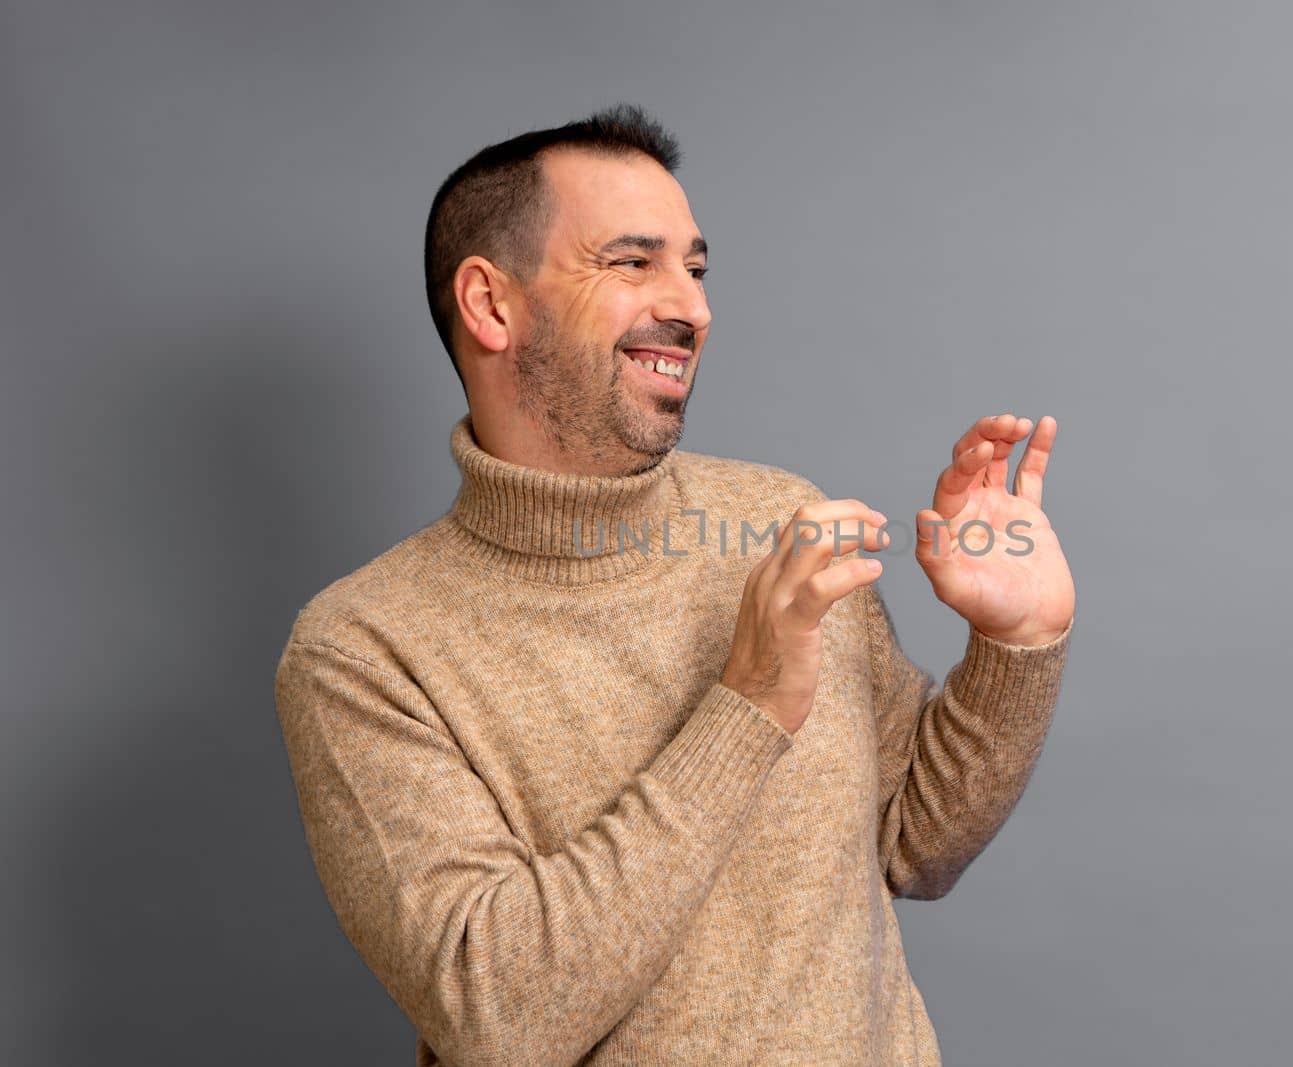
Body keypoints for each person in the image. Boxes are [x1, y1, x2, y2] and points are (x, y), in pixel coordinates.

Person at [274, 103, 1076, 1067]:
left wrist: (1016, 646)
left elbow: (913, 840)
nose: (692, 306)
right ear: (491, 305)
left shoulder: (778, 521)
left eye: (696, 268)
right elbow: (499, 1015)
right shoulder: (365, 648)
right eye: (632, 262)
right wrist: (745, 708)